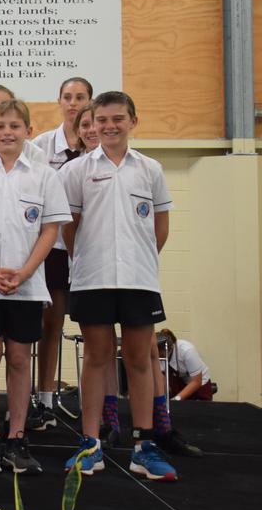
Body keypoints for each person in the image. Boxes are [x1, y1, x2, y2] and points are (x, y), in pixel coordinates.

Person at [60, 91, 179, 481]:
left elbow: (158, 228)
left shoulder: (150, 169)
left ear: (133, 121)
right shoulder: (76, 170)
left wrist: (138, 259)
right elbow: (69, 227)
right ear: (91, 124)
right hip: (92, 279)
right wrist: (87, 260)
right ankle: (90, 444)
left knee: (138, 359)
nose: (109, 126)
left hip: (138, 279)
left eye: (118, 118)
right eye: (102, 120)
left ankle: (144, 446)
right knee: (97, 357)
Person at [0, 99, 69, 476]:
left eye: (14, 126)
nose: (7, 132)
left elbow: (50, 230)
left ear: (28, 131)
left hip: (27, 284)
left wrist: (23, 273)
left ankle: (17, 438)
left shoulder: (44, 176)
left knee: (20, 358)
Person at [28, 77, 93, 431]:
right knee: (49, 323)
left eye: (80, 97)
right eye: (67, 97)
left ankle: (96, 402)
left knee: (86, 324)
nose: (73, 103)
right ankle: (45, 397)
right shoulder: (40, 145)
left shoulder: (96, 145)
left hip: (88, 248)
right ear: (59, 101)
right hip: (53, 247)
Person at [159, 329, 213, 401]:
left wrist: (176, 399)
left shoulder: (187, 350)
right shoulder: (156, 352)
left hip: (200, 384)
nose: (159, 356)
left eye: (161, 354)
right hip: (180, 382)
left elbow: (196, 381)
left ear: (171, 347)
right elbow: (161, 378)